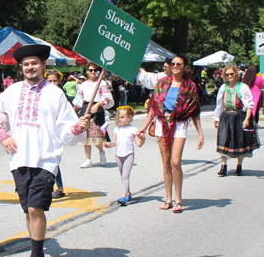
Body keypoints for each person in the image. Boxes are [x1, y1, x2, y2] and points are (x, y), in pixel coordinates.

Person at [0, 44, 89, 257]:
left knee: (35, 207)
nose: (30, 67)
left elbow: (65, 128)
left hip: (46, 159)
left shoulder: (55, 93)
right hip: (19, 158)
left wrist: (77, 127)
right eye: (26, 64)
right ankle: (38, 252)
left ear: (43, 65)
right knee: (27, 208)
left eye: (34, 63)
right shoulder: (13, 91)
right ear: (22, 68)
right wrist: (3, 135)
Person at [138, 55, 204, 214]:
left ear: (185, 67)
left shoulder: (190, 86)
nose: (175, 66)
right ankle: (168, 199)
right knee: (166, 162)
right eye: (173, 63)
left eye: (178, 64)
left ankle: (178, 199)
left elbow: (194, 112)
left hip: (180, 124)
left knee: (175, 162)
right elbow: (153, 108)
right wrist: (143, 128)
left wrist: (200, 134)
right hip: (162, 123)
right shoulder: (162, 83)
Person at [214, 64, 260, 176]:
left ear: (236, 74)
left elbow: (249, 104)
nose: (229, 76)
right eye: (227, 74)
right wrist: (216, 118)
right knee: (223, 140)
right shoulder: (223, 87)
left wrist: (247, 119)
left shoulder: (243, 87)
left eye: (232, 74)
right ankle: (223, 166)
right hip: (226, 116)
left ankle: (239, 166)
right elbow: (219, 104)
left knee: (239, 141)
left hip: (239, 116)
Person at [73, 61, 114, 168]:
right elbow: (78, 99)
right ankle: (88, 159)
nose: (93, 72)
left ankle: (101, 153)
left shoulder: (102, 84)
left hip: (97, 110)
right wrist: (74, 112)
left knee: (96, 136)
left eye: (95, 70)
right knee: (85, 136)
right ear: (87, 71)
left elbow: (107, 98)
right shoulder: (82, 85)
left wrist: (99, 104)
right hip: (85, 109)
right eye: (91, 70)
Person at [104, 106, 144, 205]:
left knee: (125, 176)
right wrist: (109, 144)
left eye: (122, 117)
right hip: (118, 155)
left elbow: (139, 144)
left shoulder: (133, 129)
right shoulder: (117, 129)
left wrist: (142, 137)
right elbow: (114, 142)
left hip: (128, 154)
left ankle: (123, 196)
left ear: (130, 117)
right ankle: (128, 193)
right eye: (118, 117)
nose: (120, 119)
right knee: (123, 176)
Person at [45, 69, 67, 199]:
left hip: (55, 132)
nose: (53, 83)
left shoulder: (60, 95)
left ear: (59, 81)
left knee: (53, 160)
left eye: (55, 80)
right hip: (44, 131)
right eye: (50, 81)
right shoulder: (43, 93)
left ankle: (59, 187)